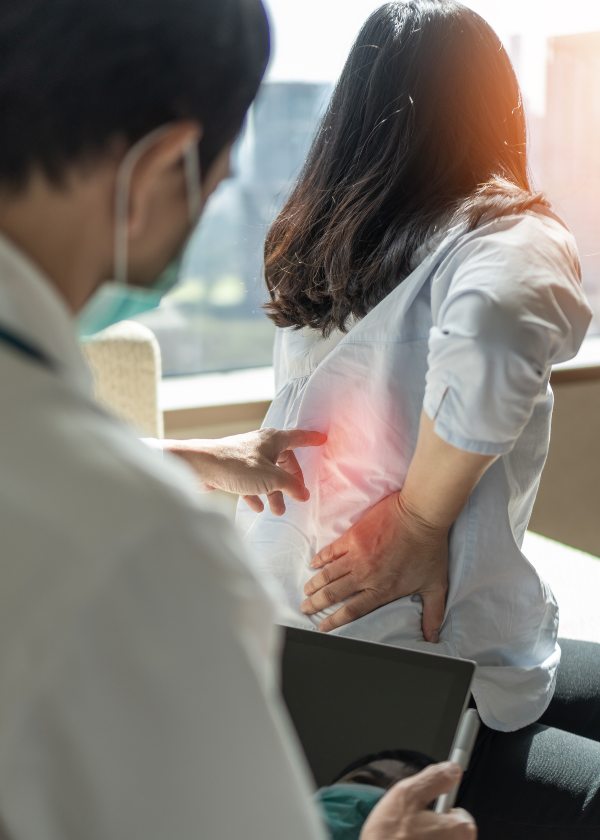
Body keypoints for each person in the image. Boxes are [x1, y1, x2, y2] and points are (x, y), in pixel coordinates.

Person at [0, 0, 476, 838]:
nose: (224, 189)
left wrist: (182, 456)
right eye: (220, 168)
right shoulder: (143, 544)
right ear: (162, 169)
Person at [237, 1, 600, 835]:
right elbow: (502, 328)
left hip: (296, 657)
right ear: (492, 109)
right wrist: (418, 519)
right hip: (412, 686)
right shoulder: (504, 235)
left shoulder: (326, 245)